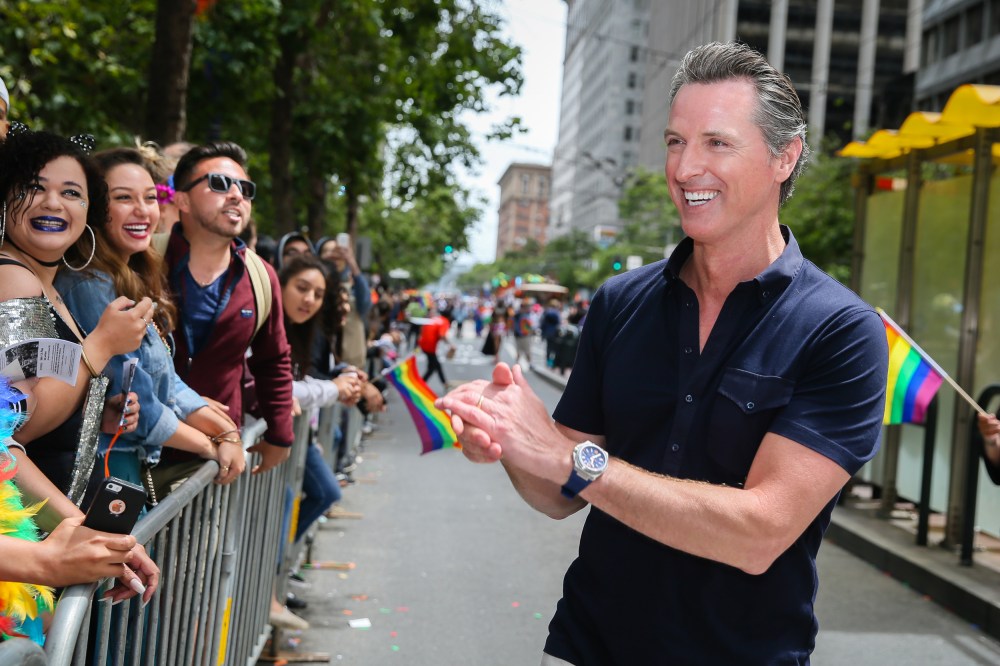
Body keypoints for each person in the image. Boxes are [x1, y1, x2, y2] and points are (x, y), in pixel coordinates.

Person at [437, 42, 888, 665]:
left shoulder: (841, 330)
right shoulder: (619, 301)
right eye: (676, 142)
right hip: (585, 645)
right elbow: (559, 492)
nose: (685, 167)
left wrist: (569, 459)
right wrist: (506, 438)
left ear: (784, 157)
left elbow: (759, 533)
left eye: (717, 143)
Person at [56, 146, 244, 504]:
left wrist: (227, 432)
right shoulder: (88, 284)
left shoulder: (128, 275)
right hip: (103, 467)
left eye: (150, 197)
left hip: (126, 465)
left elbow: (167, 382)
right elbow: (136, 403)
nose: (143, 210)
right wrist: (212, 446)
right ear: (95, 208)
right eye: (124, 198)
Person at [0, 129, 153, 501]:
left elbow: (44, 398)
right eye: (34, 188)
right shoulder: (14, 279)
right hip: (32, 523)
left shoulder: (44, 283)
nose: (53, 203)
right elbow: (12, 426)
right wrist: (101, 346)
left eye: (71, 192)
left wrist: (95, 412)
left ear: (88, 210)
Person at [160, 141, 294, 484]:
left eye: (245, 189)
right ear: (182, 200)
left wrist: (280, 435)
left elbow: (273, 360)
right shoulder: (144, 260)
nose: (236, 195)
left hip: (214, 459)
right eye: (219, 184)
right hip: (134, 448)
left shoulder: (261, 276)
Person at [418, 305, 455, 387]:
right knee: (434, 366)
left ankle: (443, 383)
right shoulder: (445, 322)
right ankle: (422, 383)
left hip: (423, 343)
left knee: (434, 366)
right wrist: (450, 345)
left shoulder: (435, 318)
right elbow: (442, 335)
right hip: (430, 346)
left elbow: (423, 328)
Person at [512, 299, 535, 368]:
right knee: (522, 350)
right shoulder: (520, 315)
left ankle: (528, 363)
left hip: (523, 335)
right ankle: (519, 364)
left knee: (525, 350)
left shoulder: (523, 314)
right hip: (522, 335)